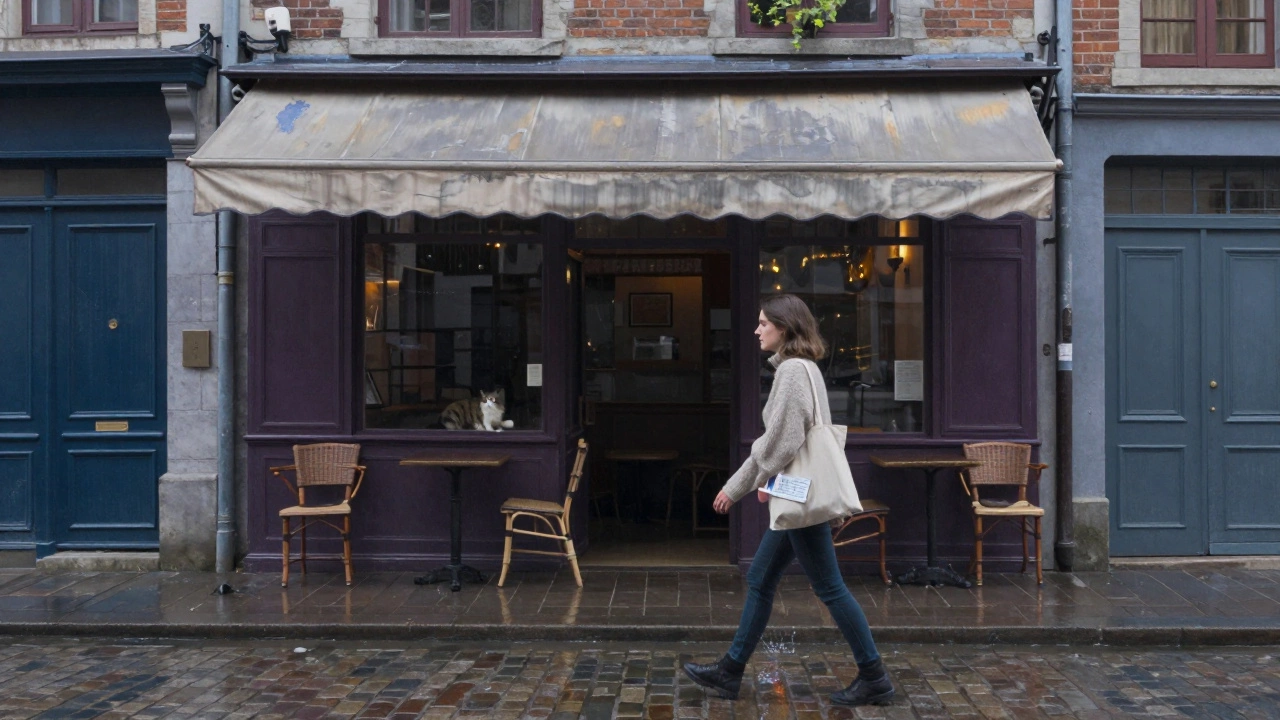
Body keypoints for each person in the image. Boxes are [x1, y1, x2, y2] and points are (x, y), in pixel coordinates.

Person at [682, 294, 894, 707]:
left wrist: (736, 487)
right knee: (761, 579)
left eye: (764, 323)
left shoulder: (793, 371)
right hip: (797, 495)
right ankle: (730, 671)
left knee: (830, 588)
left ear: (786, 328)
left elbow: (778, 444)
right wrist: (770, 482)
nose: (757, 330)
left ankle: (875, 676)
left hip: (801, 500)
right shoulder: (805, 369)